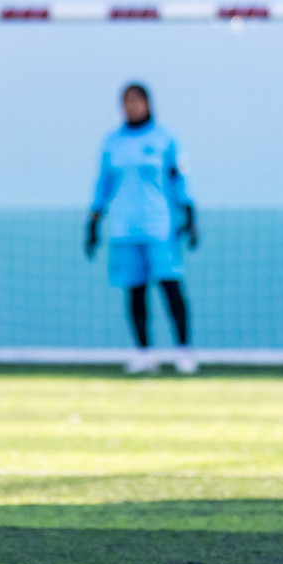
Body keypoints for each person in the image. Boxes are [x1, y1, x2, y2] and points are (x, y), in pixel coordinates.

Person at [85, 83, 198, 375]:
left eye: (136, 100)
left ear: (148, 103)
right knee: (135, 294)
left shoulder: (165, 138)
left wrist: (189, 212)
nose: (131, 106)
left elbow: (178, 178)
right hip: (124, 229)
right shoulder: (112, 142)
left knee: (171, 288)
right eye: (126, 101)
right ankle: (143, 353)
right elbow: (104, 183)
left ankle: (184, 352)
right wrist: (94, 221)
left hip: (159, 227)